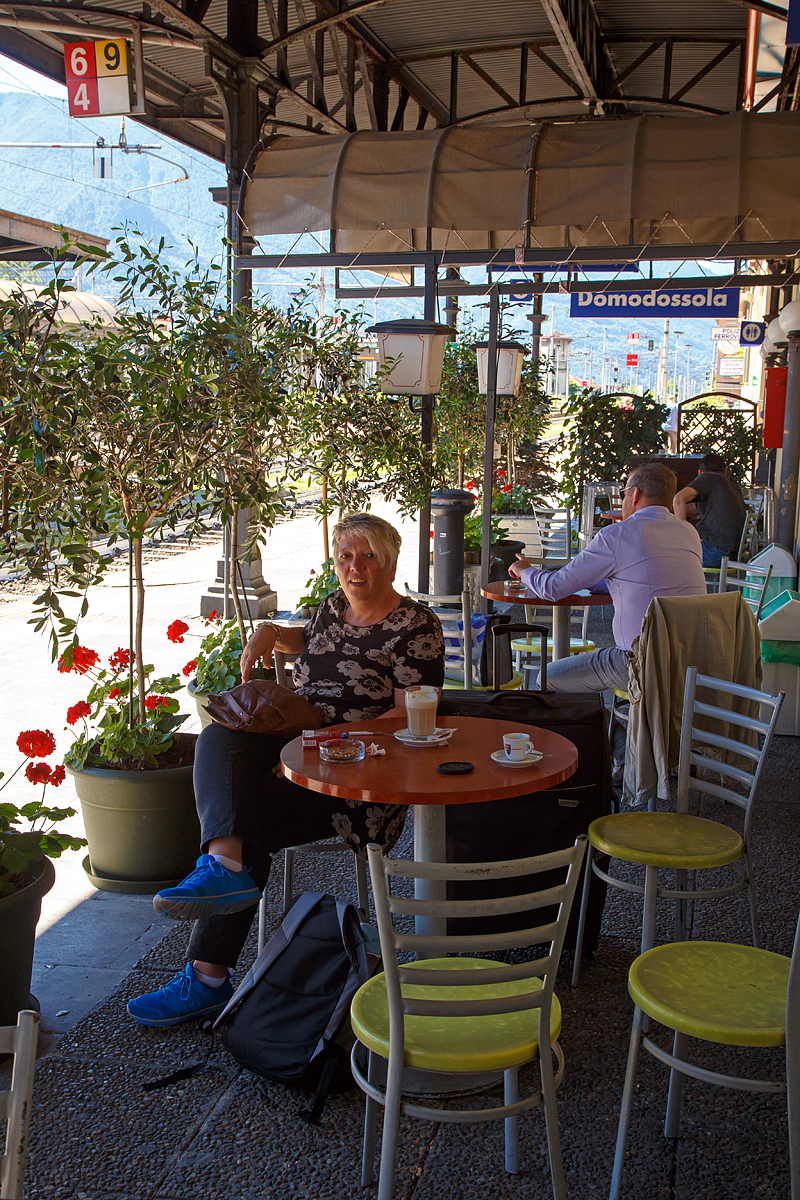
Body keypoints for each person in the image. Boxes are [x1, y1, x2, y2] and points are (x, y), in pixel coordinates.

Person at [127, 512, 445, 1026]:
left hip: (359, 777)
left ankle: (208, 972)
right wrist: (272, 631)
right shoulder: (334, 607)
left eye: (367, 556)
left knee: (242, 816)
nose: (354, 567)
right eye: (345, 556)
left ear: (389, 562)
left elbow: (409, 715)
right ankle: (224, 870)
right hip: (298, 748)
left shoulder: (415, 626)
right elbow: (307, 641)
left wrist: (319, 745)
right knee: (219, 734)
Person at [508, 462, 706, 774]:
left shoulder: (617, 535)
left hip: (638, 662)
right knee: (613, 685)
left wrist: (524, 570)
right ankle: (625, 757)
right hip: (691, 662)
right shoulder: (688, 532)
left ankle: (585, 763)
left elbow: (554, 589)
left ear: (635, 494)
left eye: (625, 493)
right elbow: (640, 574)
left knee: (548, 679)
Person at [672, 453, 747, 569]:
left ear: (700, 473)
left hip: (715, 553)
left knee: (666, 551)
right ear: (725, 472)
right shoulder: (731, 484)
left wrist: (684, 535)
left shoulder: (706, 478)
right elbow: (696, 509)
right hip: (734, 554)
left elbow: (679, 499)